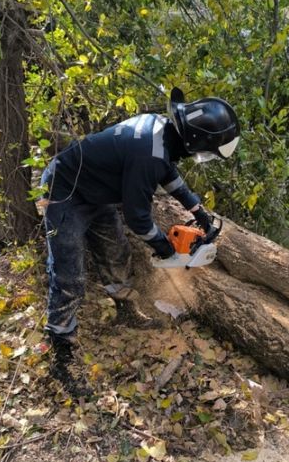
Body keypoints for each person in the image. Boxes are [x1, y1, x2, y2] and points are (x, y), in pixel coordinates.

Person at [38, 87, 240, 387]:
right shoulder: (149, 154)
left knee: (116, 252)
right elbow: (137, 217)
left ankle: (125, 310)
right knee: (70, 273)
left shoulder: (160, 129)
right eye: (204, 151)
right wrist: (165, 248)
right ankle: (60, 345)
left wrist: (197, 210)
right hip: (63, 192)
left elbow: (167, 172)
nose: (200, 156)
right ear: (195, 140)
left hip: (95, 192)